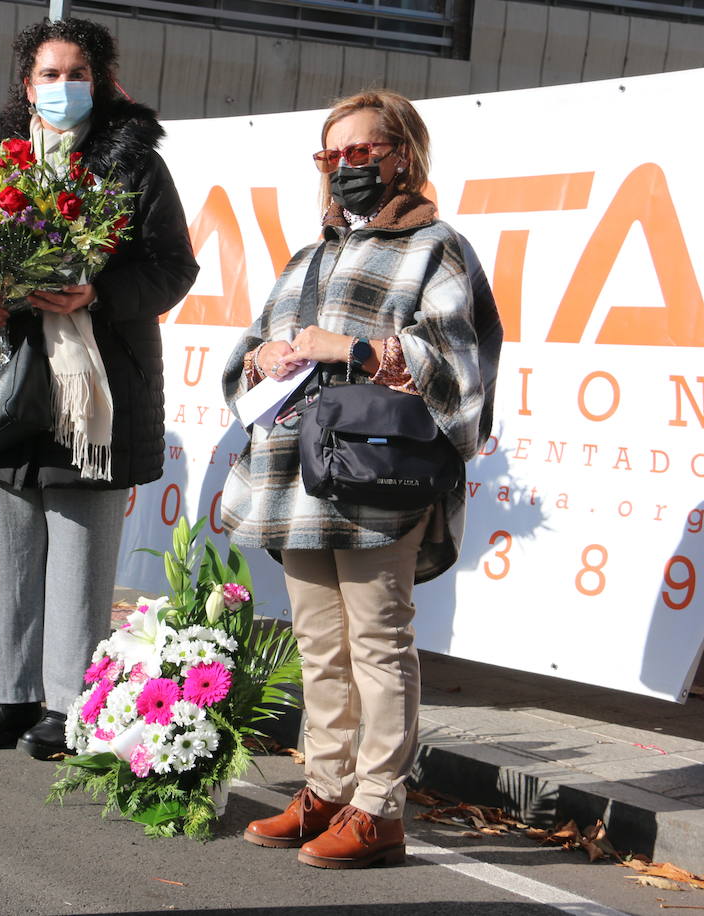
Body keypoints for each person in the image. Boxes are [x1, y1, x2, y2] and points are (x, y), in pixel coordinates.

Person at [221, 90, 501, 867]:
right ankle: (328, 787)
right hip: (297, 468)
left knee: (378, 639)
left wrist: (347, 346)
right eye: (329, 155)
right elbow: (253, 345)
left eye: (359, 151)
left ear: (400, 153)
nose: (343, 168)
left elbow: (457, 363)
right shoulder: (309, 254)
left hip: (378, 471)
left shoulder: (435, 248)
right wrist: (263, 357)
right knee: (318, 641)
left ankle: (379, 807)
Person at [0, 18, 199, 760]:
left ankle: (66, 703)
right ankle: (6, 693)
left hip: (96, 391)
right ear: (26, 85)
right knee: (7, 549)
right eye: (48, 74)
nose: (62, 87)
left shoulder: (133, 164)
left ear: (102, 82)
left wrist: (96, 294)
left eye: (76, 73)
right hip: (5, 385)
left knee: (80, 560)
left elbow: (174, 268)